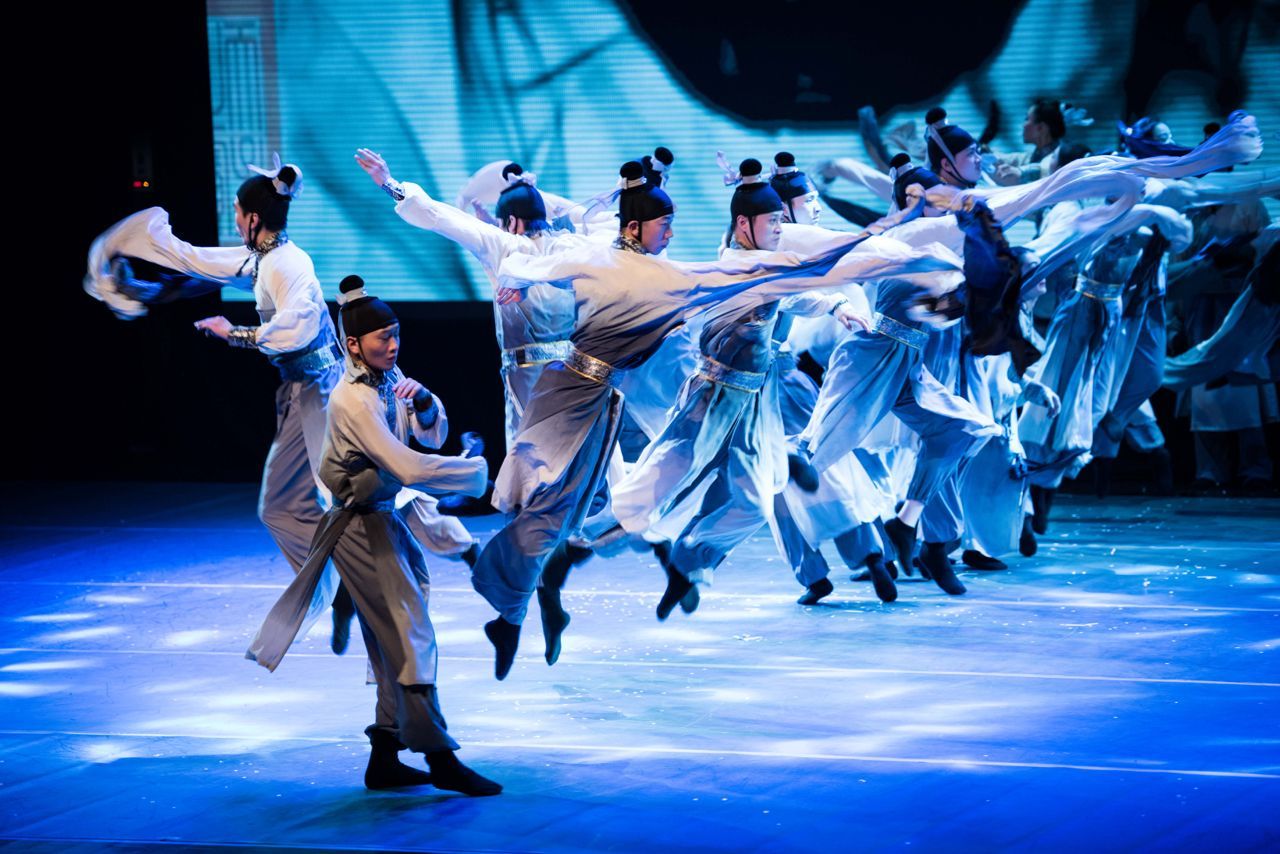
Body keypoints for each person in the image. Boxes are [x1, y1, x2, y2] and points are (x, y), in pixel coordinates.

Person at [246, 275, 500, 796]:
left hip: (385, 519)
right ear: (353, 345)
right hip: (360, 528)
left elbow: (427, 432)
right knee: (410, 635)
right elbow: (405, 465)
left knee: (394, 643)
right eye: (381, 338)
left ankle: (384, 756)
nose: (392, 344)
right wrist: (473, 474)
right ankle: (439, 755)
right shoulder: (352, 399)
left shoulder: (388, 379)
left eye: (396, 333)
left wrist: (426, 403)